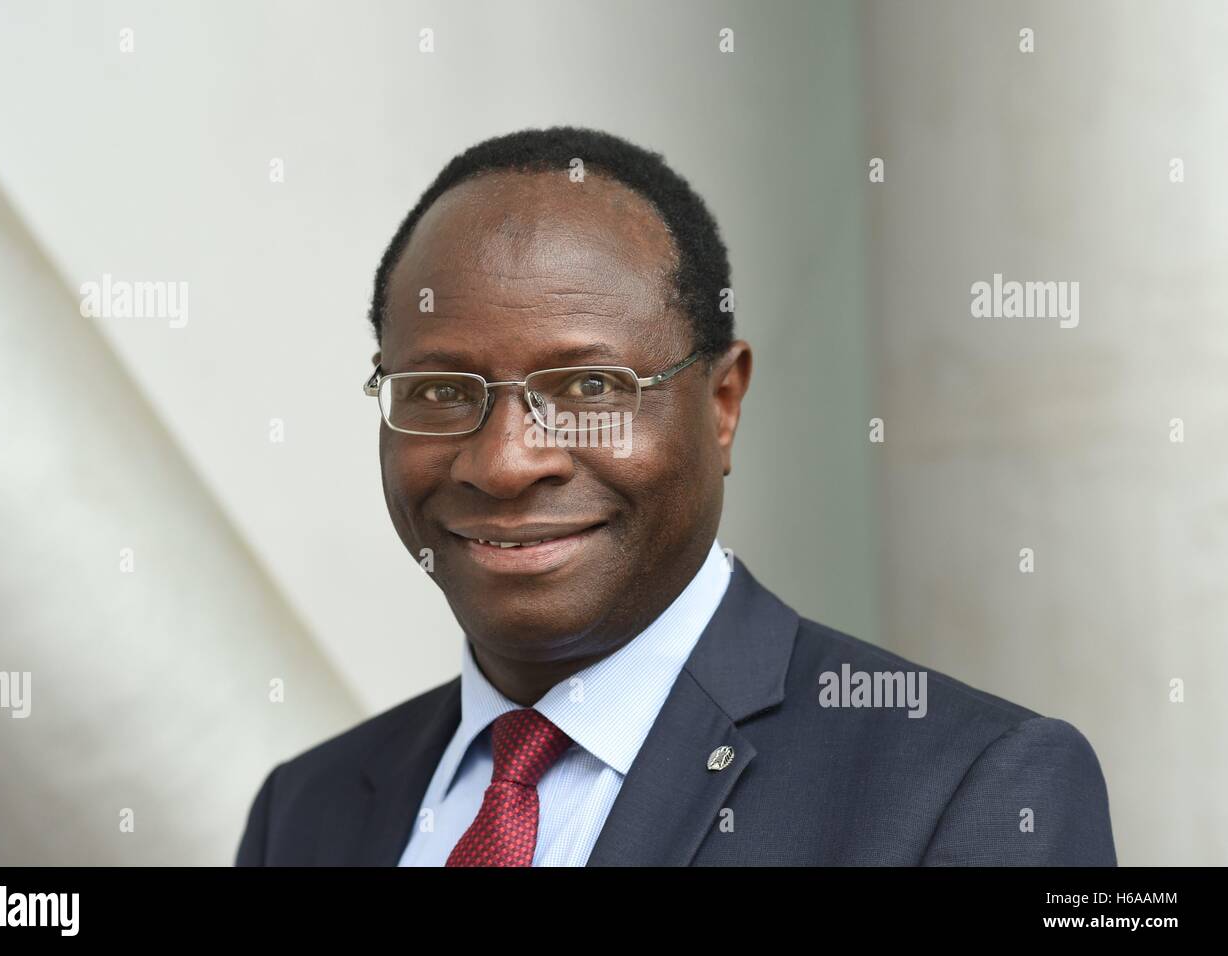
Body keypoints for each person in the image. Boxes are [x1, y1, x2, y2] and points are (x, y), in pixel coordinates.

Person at [235, 126, 1116, 866]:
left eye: (589, 389)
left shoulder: (965, 789)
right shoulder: (306, 814)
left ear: (723, 405)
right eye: (441, 392)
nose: (504, 464)